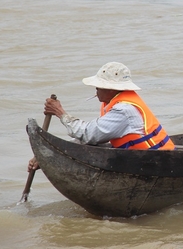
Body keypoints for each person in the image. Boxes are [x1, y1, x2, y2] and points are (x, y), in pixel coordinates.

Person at [28, 62, 174, 172]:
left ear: (112, 89)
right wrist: (48, 156)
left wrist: (60, 112)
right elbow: (91, 139)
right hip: (143, 161)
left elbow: (87, 134)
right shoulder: (114, 103)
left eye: (99, 87)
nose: (96, 90)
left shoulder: (123, 110)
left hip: (155, 165)